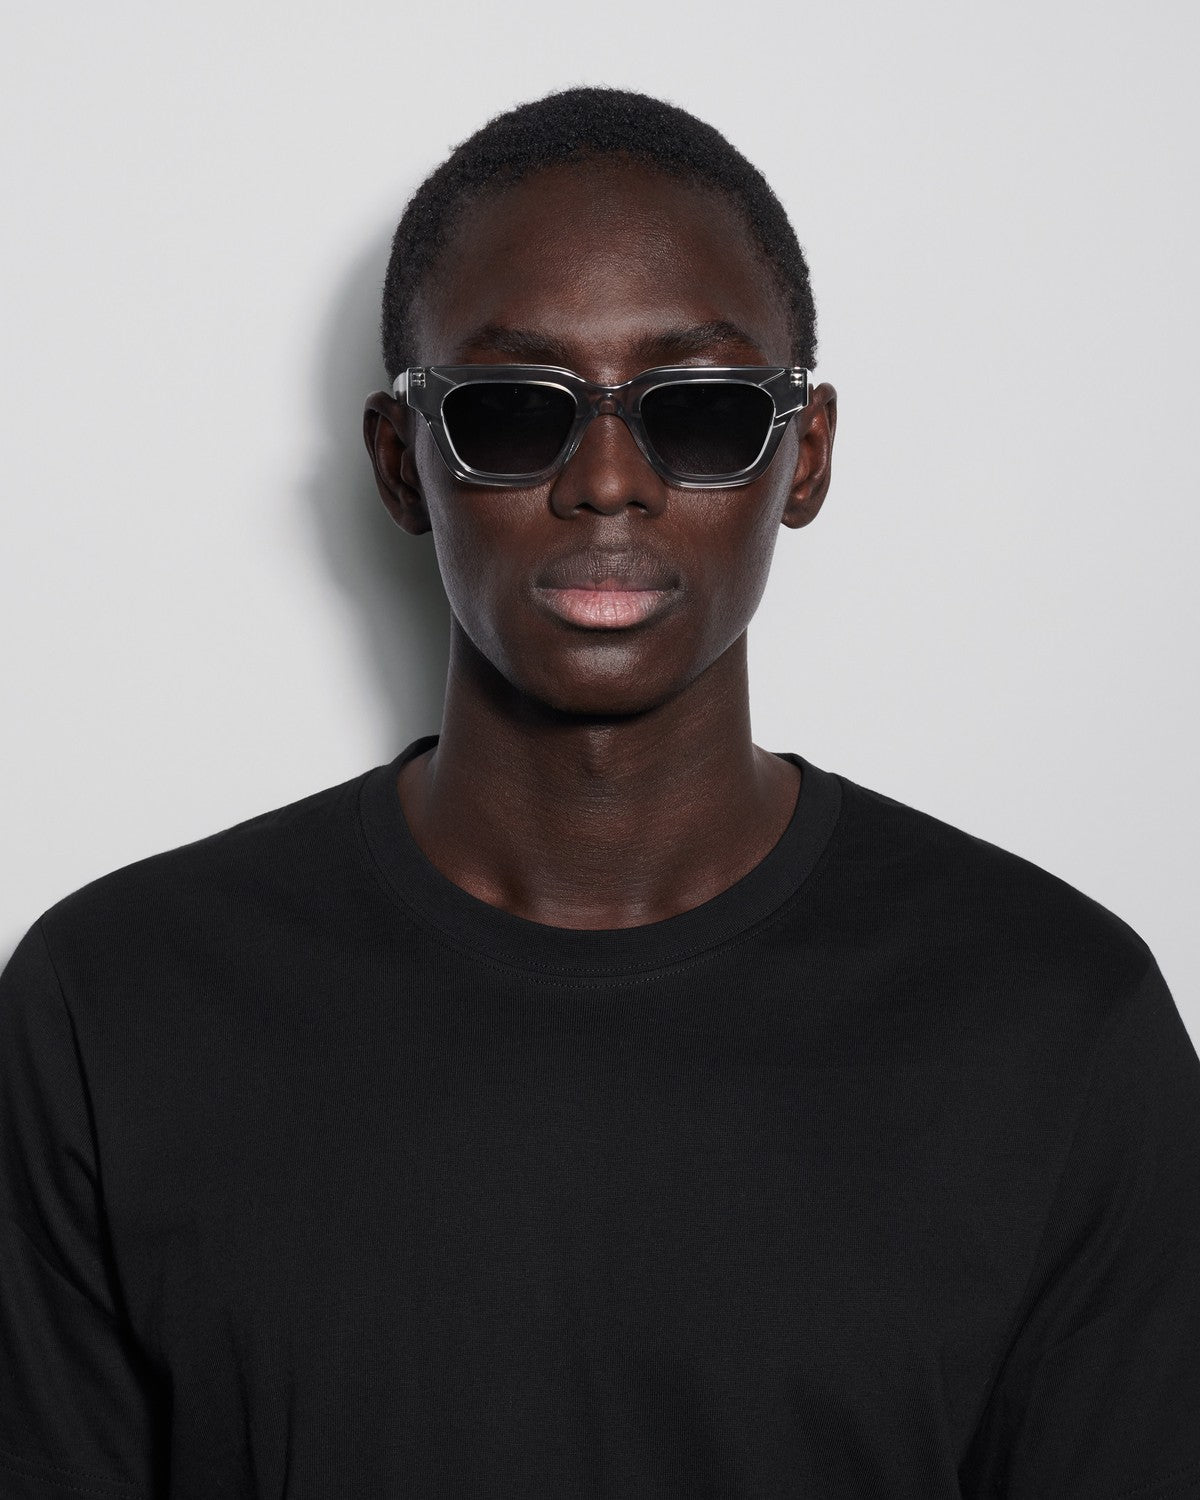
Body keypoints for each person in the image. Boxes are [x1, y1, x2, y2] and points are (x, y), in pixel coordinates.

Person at [1, 84, 1197, 1500]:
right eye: (515, 414)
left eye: (702, 414)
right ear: (401, 465)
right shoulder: (117, 1008)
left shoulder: (1058, 1026)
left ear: (805, 457)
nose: (609, 482)